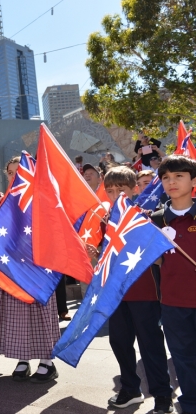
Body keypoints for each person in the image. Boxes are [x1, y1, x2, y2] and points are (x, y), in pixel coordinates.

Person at [99, 166, 173, 412]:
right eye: (110, 190)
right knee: (119, 343)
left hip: (145, 294)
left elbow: (161, 256)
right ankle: (130, 389)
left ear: (135, 189)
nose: (116, 194)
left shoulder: (148, 216)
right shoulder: (102, 220)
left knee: (150, 345)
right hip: (115, 296)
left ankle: (162, 395)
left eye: (121, 189)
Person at [0, 159, 61, 384]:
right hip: (12, 268)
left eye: (18, 173)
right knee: (15, 316)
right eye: (10, 173)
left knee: (40, 314)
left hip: (38, 267)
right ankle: (22, 359)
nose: (14, 178)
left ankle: (47, 362)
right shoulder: (3, 203)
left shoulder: (44, 201)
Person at [152, 155, 196, 414]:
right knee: (184, 361)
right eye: (166, 177)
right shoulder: (156, 221)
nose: (172, 182)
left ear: (193, 181)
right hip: (173, 305)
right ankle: (190, 406)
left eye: (179, 175)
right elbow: (154, 261)